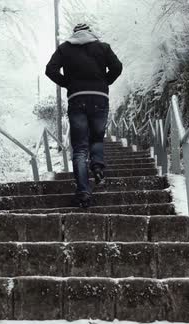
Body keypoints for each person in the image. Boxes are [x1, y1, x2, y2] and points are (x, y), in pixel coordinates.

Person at [46, 23, 123, 208]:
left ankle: (83, 192)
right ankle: (97, 165)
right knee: (96, 137)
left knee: (79, 148)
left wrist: (68, 84)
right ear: (90, 32)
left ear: (74, 34)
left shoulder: (65, 48)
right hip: (99, 97)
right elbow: (117, 67)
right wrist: (104, 82)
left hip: (77, 99)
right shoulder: (103, 47)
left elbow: (50, 70)